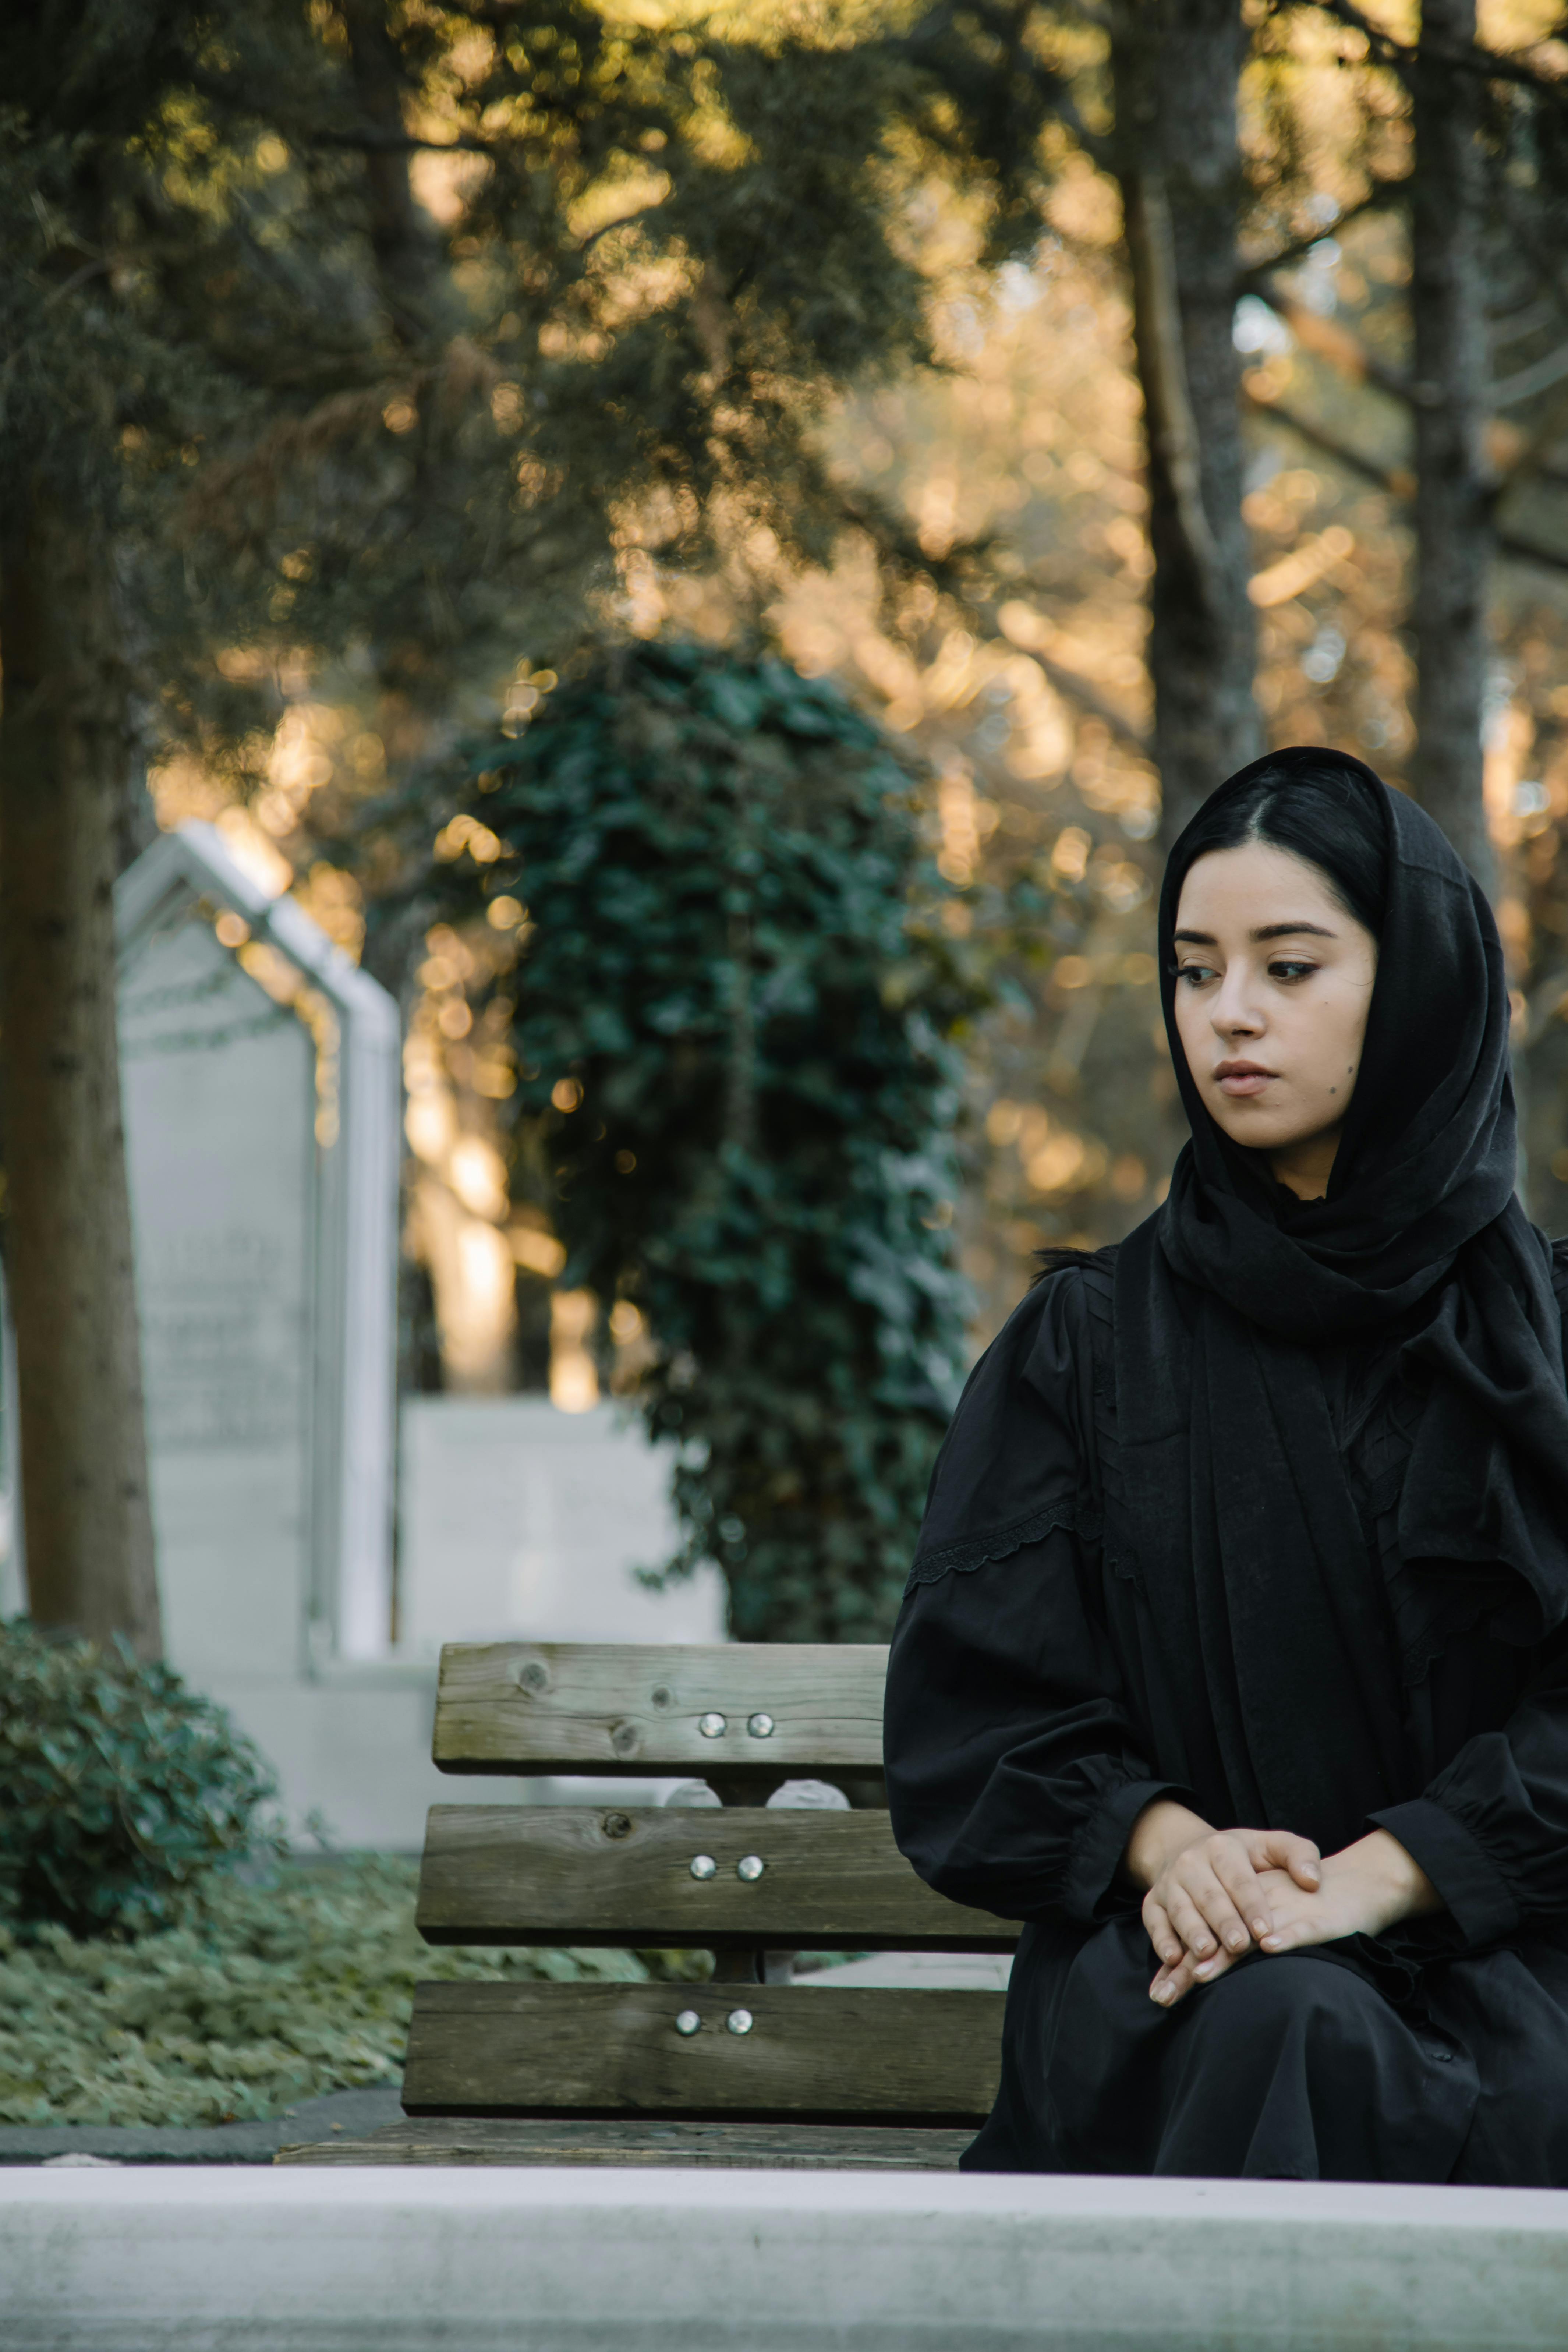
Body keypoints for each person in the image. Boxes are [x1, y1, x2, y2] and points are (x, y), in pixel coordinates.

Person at [884, 748, 1568, 2182]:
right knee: (1278, 2019)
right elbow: (979, 1720)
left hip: (1511, 1971)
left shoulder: (1550, 1342)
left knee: (1313, 2021)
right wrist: (1173, 1848)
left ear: (1421, 985)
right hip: (1175, 1973)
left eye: (1289, 964)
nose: (1230, 1014)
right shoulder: (1086, 1347)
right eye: (1195, 971)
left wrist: (1382, 1876)